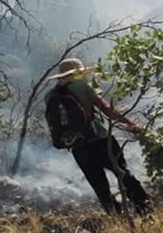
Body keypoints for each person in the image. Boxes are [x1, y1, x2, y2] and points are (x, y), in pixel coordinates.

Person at [45, 58, 152, 215]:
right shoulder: (83, 87)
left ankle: (117, 219)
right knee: (123, 173)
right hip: (101, 140)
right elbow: (107, 110)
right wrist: (133, 127)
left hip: (78, 147)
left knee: (100, 186)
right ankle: (145, 210)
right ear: (76, 73)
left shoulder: (49, 95)